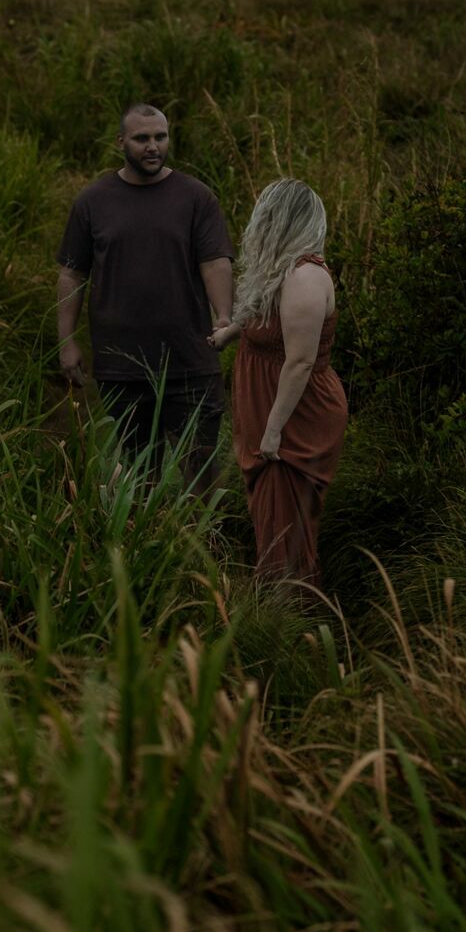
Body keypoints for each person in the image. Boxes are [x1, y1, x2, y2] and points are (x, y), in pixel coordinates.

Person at [56, 102, 234, 488]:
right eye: (141, 139)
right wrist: (67, 341)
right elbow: (72, 274)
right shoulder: (93, 202)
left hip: (190, 360)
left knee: (200, 468)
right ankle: (147, 543)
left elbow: (215, 261)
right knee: (140, 469)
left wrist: (223, 315)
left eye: (160, 137)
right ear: (121, 141)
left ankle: (205, 543)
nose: (152, 146)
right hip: (122, 366)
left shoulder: (195, 197)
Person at [210, 179, 347, 585]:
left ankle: (289, 621)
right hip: (273, 409)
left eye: (266, 217)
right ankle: (282, 607)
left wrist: (273, 431)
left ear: (280, 221)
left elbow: (301, 362)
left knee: (285, 528)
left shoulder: (305, 278)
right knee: (272, 519)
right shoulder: (283, 270)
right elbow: (264, 315)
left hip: (294, 417)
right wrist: (230, 332)